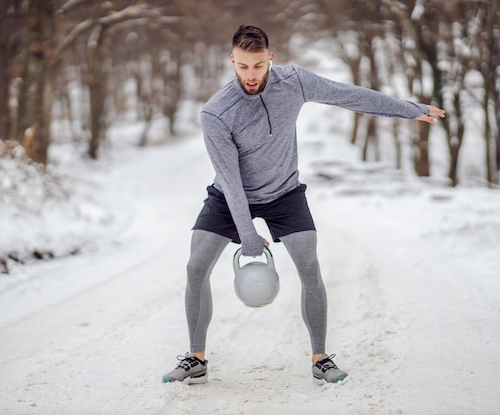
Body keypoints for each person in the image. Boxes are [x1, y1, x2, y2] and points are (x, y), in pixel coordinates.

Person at [162, 25, 445, 385]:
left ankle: (320, 358)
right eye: (244, 66)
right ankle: (195, 358)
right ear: (232, 60)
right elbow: (231, 181)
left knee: (309, 265)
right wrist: (247, 235)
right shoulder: (216, 113)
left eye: (259, 65)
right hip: (229, 197)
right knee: (195, 266)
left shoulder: (293, 82)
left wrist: (407, 110)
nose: (251, 75)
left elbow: (347, 95)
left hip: (284, 193)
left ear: (271, 59)